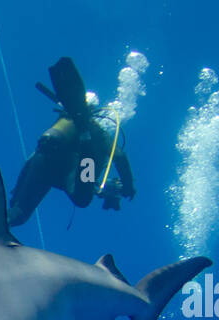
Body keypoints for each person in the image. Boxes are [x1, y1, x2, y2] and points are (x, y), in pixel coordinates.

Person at [7, 57, 135, 228]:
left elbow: (33, 159)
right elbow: (120, 157)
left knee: (18, 214)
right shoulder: (99, 133)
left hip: (44, 158)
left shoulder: (64, 122)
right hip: (68, 168)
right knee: (83, 198)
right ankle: (86, 144)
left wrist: (18, 190)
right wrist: (128, 186)